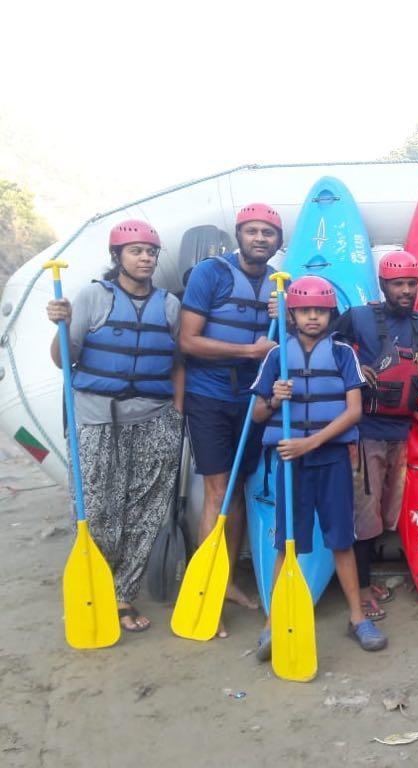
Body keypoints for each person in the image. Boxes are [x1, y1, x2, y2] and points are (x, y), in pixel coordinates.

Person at [46, 219, 184, 633]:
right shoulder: (91, 296)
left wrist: (177, 412)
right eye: (136, 250)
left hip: (155, 418)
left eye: (150, 251)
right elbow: (62, 359)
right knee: (95, 506)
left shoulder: (169, 305)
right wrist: (61, 325)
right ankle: (96, 585)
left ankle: (124, 593)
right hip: (96, 416)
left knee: (146, 509)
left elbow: (177, 362)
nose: (145, 257)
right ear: (117, 257)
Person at [251, 276, 386, 656]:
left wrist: (310, 442)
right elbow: (258, 414)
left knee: (342, 540)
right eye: (305, 311)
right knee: (286, 544)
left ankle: (357, 618)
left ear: (330, 314)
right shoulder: (276, 357)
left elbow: (354, 411)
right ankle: (271, 623)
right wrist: (275, 399)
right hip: (290, 464)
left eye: (320, 311)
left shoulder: (344, 354)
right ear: (292, 314)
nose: (313, 317)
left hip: (329, 459)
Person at [334, 250, 418, 620]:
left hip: (401, 431)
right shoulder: (358, 318)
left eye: (411, 283)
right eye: (398, 284)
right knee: (365, 514)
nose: (406, 291)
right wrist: (356, 364)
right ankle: (358, 591)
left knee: (385, 512)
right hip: (366, 432)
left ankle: (366, 578)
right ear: (383, 285)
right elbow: (326, 346)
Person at [179, 203, 280, 632]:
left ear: (277, 240)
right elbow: (188, 341)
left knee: (238, 488)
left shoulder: (279, 283)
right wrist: (248, 352)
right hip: (211, 395)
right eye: (253, 231)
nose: (260, 238)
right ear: (239, 235)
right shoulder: (210, 274)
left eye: (268, 233)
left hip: (250, 399)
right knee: (218, 490)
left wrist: (285, 322)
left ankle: (229, 582)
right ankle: (209, 588)